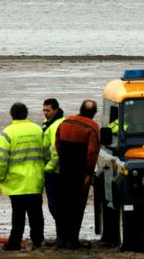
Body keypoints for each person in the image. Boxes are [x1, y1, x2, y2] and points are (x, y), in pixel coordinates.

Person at [0, 102, 45, 251]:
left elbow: (0, 158)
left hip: (16, 181)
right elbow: (46, 151)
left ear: (12, 115)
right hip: (35, 179)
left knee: (18, 214)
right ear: (26, 114)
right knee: (36, 213)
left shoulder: (8, 132)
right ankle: (38, 241)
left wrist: (0, 177)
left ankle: (15, 242)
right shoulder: (37, 130)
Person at [55, 99, 100, 249]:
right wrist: (89, 172)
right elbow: (92, 152)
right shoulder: (92, 127)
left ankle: (61, 238)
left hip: (64, 169)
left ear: (80, 109)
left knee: (63, 204)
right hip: (80, 171)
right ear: (94, 113)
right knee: (77, 205)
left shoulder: (65, 122)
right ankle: (72, 240)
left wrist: (63, 160)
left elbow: (57, 144)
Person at [41, 99, 64, 242]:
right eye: (44, 110)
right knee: (56, 206)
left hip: (55, 173)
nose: (45, 113)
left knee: (56, 206)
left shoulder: (56, 125)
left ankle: (61, 236)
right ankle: (62, 236)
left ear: (56, 110)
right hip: (56, 171)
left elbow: (56, 153)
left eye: (48, 110)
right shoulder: (48, 123)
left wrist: (47, 169)